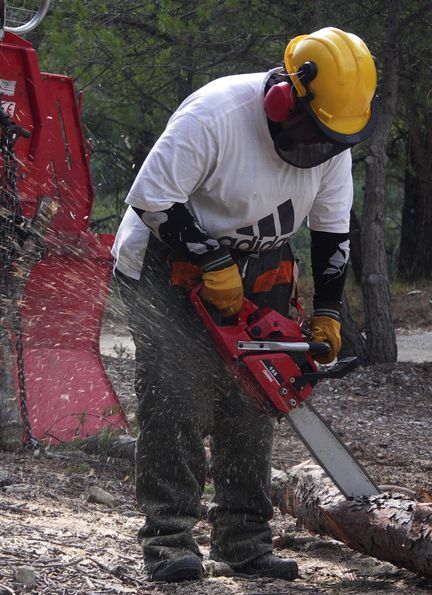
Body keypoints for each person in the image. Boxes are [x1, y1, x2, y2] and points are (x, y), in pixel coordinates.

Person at [112, 26, 377, 583]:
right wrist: (209, 260)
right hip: (168, 254)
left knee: (257, 399)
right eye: (313, 130)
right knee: (177, 401)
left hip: (263, 261)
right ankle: (168, 540)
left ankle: (244, 538)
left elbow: (331, 231)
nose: (321, 146)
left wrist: (328, 310)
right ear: (285, 97)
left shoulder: (333, 137)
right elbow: (150, 197)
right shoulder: (215, 116)